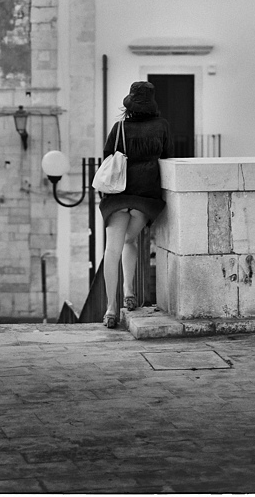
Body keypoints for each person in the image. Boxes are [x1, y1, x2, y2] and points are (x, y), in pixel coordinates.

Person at [100, 81, 171, 328]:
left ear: (129, 104)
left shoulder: (119, 127)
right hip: (144, 197)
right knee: (130, 241)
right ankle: (129, 291)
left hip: (118, 197)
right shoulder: (162, 126)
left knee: (112, 250)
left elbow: (107, 158)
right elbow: (168, 158)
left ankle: (111, 309)